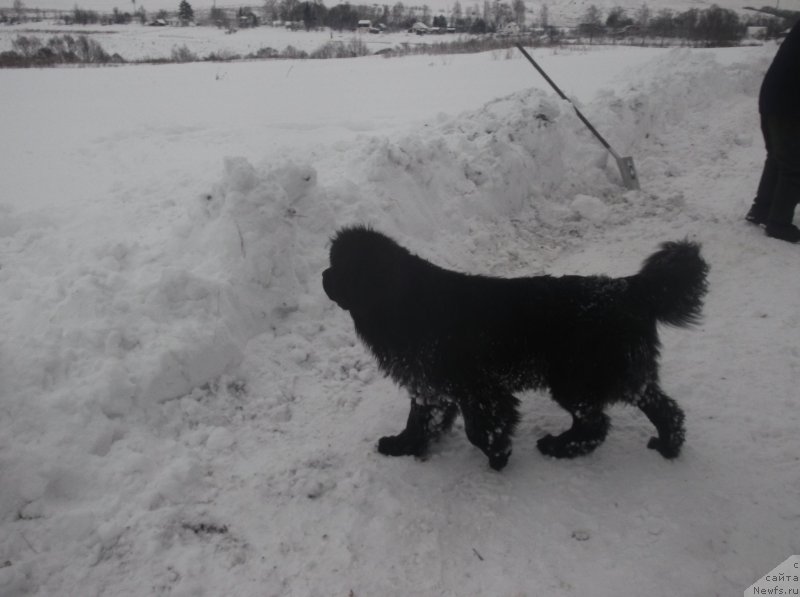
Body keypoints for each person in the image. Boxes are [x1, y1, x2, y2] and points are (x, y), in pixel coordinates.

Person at [745, 19, 800, 243]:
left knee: (777, 159)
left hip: (772, 99)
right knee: (795, 167)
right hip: (789, 105)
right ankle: (778, 223)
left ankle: (760, 211)